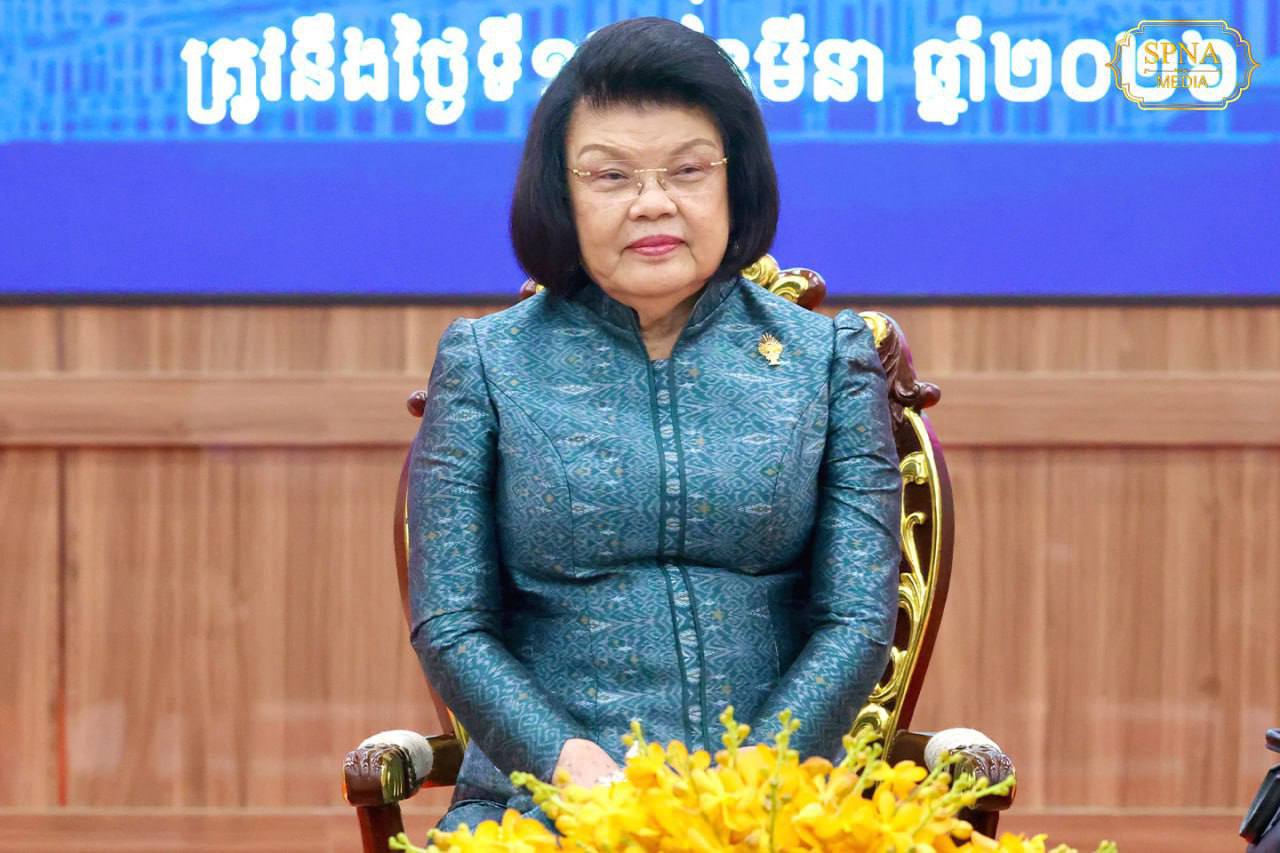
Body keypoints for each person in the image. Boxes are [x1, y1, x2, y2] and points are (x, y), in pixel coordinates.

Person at [406, 15, 902, 833]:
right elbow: (452, 623)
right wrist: (568, 764)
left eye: (688, 170)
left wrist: (748, 783)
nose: (653, 203)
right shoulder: (487, 361)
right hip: (547, 800)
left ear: (735, 182)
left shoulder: (827, 359)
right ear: (561, 193)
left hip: (778, 800)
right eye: (611, 176)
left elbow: (856, 619)